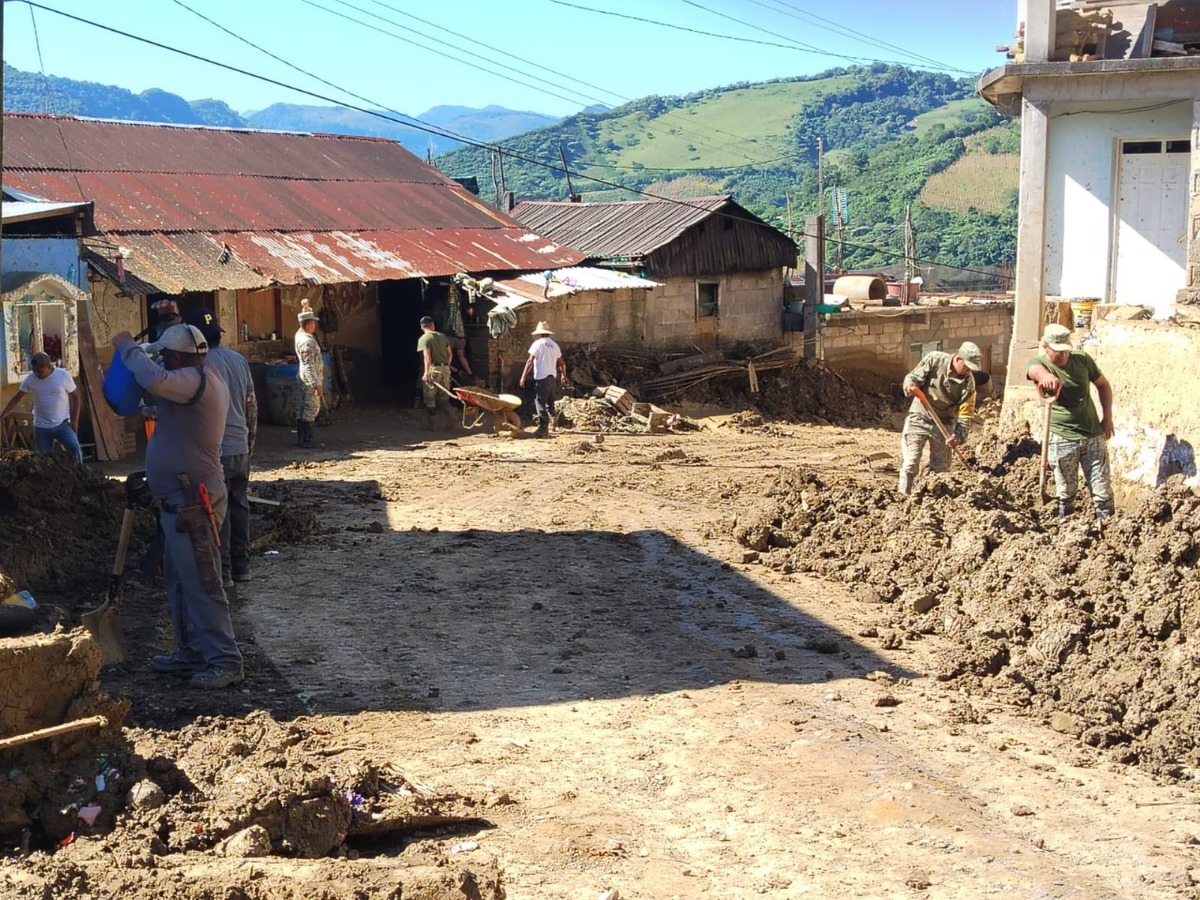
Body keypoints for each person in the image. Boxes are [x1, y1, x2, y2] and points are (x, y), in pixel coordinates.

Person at [111, 323, 244, 689]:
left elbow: (152, 378)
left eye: (165, 356)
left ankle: (225, 659)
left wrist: (127, 347)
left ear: (175, 356)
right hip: (178, 499)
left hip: (192, 502)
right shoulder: (193, 378)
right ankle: (192, 650)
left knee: (202, 581)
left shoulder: (195, 379)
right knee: (180, 582)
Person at [185, 308, 258, 586]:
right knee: (241, 506)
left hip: (213, 453)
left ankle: (224, 572)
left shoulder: (197, 368)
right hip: (240, 448)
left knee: (218, 511)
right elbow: (252, 406)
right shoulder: (239, 360)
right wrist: (250, 444)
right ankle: (243, 568)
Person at [1027, 323, 1115, 520]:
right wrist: (1047, 377)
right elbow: (1034, 370)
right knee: (1066, 491)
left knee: (1102, 490)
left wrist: (1107, 417)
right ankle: (1066, 526)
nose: (1062, 355)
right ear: (1045, 346)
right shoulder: (1040, 363)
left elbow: (1103, 385)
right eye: (1057, 351)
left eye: (1066, 351)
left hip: (1092, 434)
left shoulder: (1082, 360)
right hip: (1062, 438)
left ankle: (1108, 527)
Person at [898, 341, 981, 494]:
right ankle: (904, 497)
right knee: (911, 463)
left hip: (944, 422)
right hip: (920, 416)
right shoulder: (935, 360)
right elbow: (913, 377)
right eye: (967, 366)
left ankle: (938, 503)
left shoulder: (968, 383)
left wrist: (958, 436)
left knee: (941, 468)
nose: (968, 370)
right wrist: (910, 384)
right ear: (958, 359)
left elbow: (965, 415)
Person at [0, 352, 83, 463]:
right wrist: (2, 415)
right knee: (44, 460)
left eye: (40, 371)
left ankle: (81, 474)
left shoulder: (63, 376)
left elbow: (76, 397)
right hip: (41, 427)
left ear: (49, 367)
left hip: (62, 424)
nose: (37, 374)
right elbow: (16, 399)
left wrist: (74, 421)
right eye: (34, 371)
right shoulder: (30, 379)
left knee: (75, 448)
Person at [519, 321, 567, 438]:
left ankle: (543, 428)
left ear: (539, 334)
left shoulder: (538, 344)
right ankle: (554, 421)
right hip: (552, 378)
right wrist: (563, 375)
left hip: (541, 377)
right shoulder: (554, 345)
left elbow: (530, 361)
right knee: (550, 402)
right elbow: (562, 363)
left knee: (539, 402)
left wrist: (523, 377)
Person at [294, 300, 324, 449]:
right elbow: (308, 364)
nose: (315, 325)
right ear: (309, 323)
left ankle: (302, 437)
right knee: (310, 407)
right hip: (309, 378)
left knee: (302, 406)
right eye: (313, 322)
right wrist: (315, 383)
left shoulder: (300, 336)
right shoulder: (307, 341)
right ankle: (307, 438)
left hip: (304, 376)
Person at [417, 315, 454, 429]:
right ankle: (452, 416)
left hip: (434, 369)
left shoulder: (424, 339)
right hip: (445, 369)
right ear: (432, 325)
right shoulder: (442, 336)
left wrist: (426, 372)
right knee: (444, 397)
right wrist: (446, 366)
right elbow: (450, 354)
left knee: (430, 397)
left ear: (422, 327)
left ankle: (432, 424)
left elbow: (427, 356)